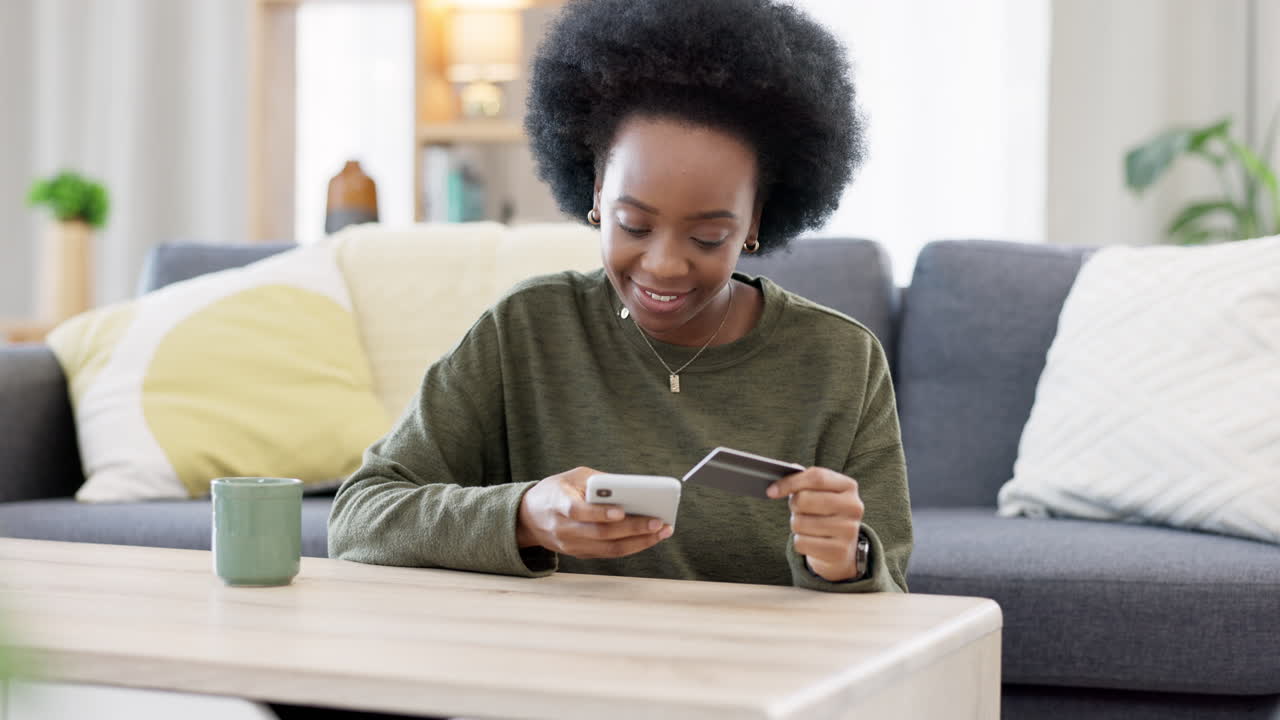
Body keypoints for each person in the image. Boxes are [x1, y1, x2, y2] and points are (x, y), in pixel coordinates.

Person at [329, 0, 912, 593]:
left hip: (754, 679)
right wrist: (526, 515)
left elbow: (894, 600)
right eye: (634, 225)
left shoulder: (842, 360)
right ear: (597, 192)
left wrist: (844, 561)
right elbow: (358, 519)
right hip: (563, 671)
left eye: (708, 237)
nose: (663, 265)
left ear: (755, 220)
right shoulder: (527, 329)